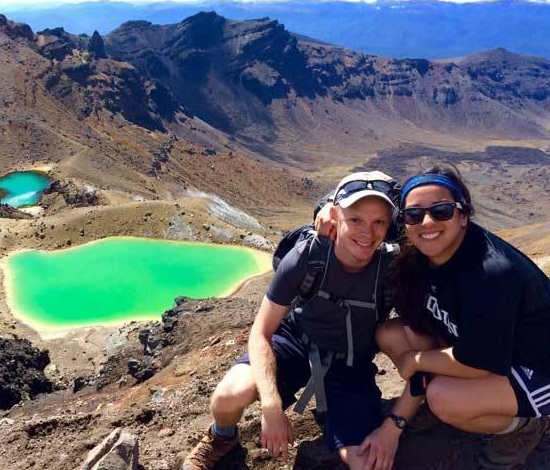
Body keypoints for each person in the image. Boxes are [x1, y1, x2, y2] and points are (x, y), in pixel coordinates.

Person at [181, 171, 407, 470]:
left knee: (365, 463)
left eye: (379, 222)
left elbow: (431, 217)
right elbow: (261, 332)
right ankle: (222, 437)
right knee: (227, 397)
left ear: (390, 225)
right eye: (355, 220)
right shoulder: (307, 256)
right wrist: (271, 407)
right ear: (335, 216)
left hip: (351, 363)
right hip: (295, 342)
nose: (367, 232)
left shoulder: (393, 265)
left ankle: (340, 411)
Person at [374, 164, 550, 469]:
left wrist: (415, 361)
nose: (427, 222)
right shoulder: (421, 253)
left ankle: (525, 427)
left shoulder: (491, 273)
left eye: (441, 211)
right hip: (487, 352)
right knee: (392, 334)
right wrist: (326, 218)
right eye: (414, 215)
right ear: (404, 222)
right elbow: (360, 221)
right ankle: (434, 403)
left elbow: (478, 363)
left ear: (463, 215)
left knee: (444, 397)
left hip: (536, 365)